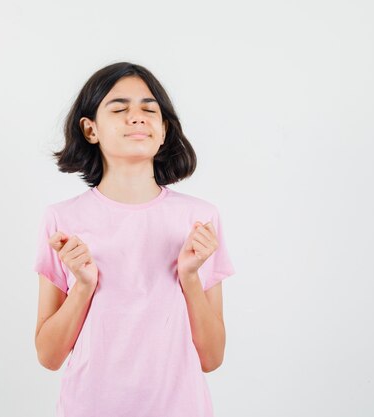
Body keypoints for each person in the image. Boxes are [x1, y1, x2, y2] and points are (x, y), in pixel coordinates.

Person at [33, 61, 236, 417]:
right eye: (119, 108)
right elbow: (49, 357)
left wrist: (189, 277)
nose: (137, 117)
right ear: (90, 129)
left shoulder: (200, 219)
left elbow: (212, 358)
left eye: (149, 109)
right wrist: (83, 285)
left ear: (163, 131)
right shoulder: (62, 221)